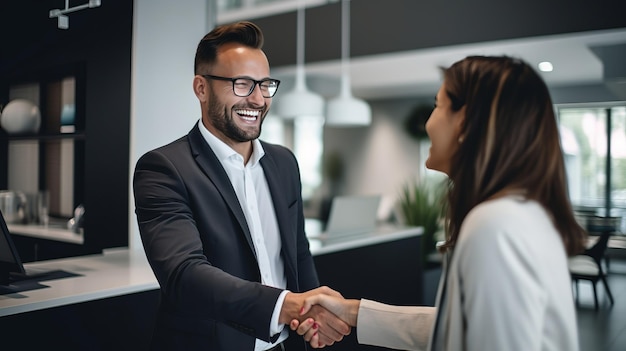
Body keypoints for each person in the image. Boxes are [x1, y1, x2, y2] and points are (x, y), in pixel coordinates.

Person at [291, 55, 587, 351]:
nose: (429, 122)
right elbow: (456, 327)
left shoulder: (495, 225)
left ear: (466, 122)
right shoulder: (517, 213)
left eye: (438, 106)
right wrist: (353, 312)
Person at [133, 21, 350, 351]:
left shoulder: (284, 163)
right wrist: (284, 305)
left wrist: (313, 317)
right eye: (243, 84)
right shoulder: (164, 168)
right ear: (201, 88)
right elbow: (185, 276)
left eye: (265, 85)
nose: (259, 99)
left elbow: (298, 255)